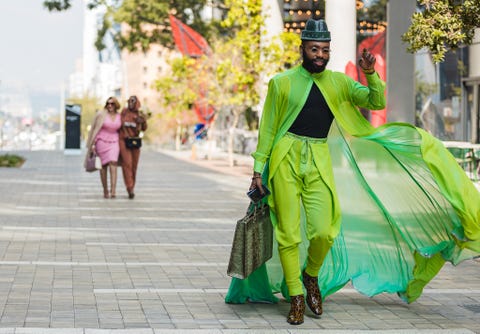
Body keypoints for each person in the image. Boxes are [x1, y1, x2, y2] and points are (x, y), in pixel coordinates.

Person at [225, 19, 480, 325]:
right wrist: (257, 171)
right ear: (303, 49)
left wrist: (371, 74)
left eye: (325, 50)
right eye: (314, 49)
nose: (320, 54)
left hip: (318, 157)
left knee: (324, 229)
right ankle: (295, 296)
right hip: (285, 160)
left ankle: (311, 276)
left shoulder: (338, 83)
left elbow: (376, 101)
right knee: (289, 232)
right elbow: (267, 130)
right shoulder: (281, 83)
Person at [84, 97, 122, 198]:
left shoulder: (120, 116)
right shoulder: (101, 115)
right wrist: (92, 144)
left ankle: (113, 190)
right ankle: (105, 190)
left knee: (113, 162)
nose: (110, 105)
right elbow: (93, 129)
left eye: (112, 104)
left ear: (116, 105)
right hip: (101, 141)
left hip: (115, 141)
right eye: (108, 103)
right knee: (103, 166)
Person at [119, 95, 148, 199]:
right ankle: (129, 188)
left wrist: (143, 121)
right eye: (129, 101)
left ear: (137, 103)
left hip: (135, 142)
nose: (130, 103)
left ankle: (132, 187)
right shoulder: (124, 112)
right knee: (127, 164)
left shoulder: (140, 114)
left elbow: (144, 129)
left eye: (133, 101)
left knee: (134, 166)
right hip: (123, 140)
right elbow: (119, 124)